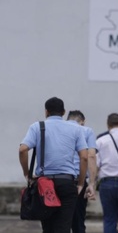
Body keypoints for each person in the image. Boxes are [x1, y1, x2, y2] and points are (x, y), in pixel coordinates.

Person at [19, 97, 89, 233]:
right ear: (63, 112)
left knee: (48, 227)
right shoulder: (76, 128)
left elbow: (22, 149)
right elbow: (84, 157)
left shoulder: (37, 127)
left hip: (45, 184)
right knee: (63, 227)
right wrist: (80, 183)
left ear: (46, 112)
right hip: (67, 183)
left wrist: (26, 174)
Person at [67, 110, 98, 233]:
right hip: (77, 181)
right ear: (83, 122)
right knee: (78, 222)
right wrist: (91, 183)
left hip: (55, 180)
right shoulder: (86, 131)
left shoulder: (58, 130)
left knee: (58, 222)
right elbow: (90, 156)